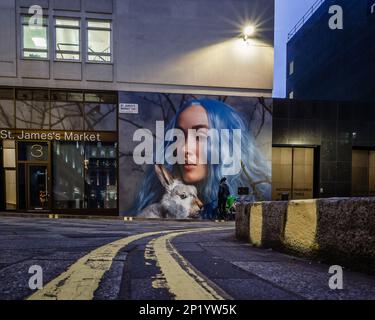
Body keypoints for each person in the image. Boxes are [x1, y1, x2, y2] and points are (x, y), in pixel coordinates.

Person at [132, 98, 271, 218]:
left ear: (225, 145)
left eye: (200, 136)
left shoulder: (252, 202)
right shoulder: (158, 208)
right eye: (178, 137)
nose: (184, 149)